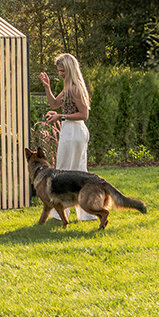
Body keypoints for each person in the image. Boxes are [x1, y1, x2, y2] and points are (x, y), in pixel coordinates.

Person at [39, 52, 97, 222]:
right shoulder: (67, 87)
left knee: (65, 172)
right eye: (59, 70)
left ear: (70, 69)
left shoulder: (75, 88)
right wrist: (47, 87)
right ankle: (86, 213)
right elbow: (54, 104)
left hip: (74, 131)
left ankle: (60, 214)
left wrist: (61, 116)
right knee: (77, 172)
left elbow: (84, 114)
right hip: (70, 130)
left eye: (63, 71)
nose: (60, 74)